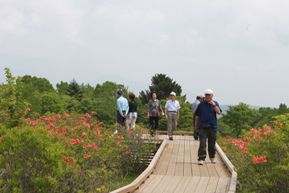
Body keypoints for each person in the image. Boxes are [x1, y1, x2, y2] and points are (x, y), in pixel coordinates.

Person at [195, 89, 222, 165]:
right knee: (202, 143)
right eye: (206, 95)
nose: (207, 96)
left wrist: (213, 105)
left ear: (212, 96)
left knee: (212, 143)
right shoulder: (201, 104)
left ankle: (212, 157)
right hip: (202, 126)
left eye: (209, 95)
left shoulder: (215, 103)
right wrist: (195, 126)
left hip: (212, 127)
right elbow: (197, 116)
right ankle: (201, 158)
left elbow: (219, 112)